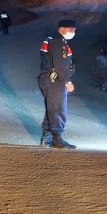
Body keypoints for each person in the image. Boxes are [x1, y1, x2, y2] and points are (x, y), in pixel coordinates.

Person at [37, 19, 77, 149]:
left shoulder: (52, 39)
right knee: (58, 109)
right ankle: (57, 140)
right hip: (54, 79)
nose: (73, 32)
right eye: (71, 29)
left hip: (47, 78)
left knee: (52, 108)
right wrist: (67, 81)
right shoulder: (58, 42)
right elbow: (60, 65)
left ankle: (46, 138)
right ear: (61, 29)